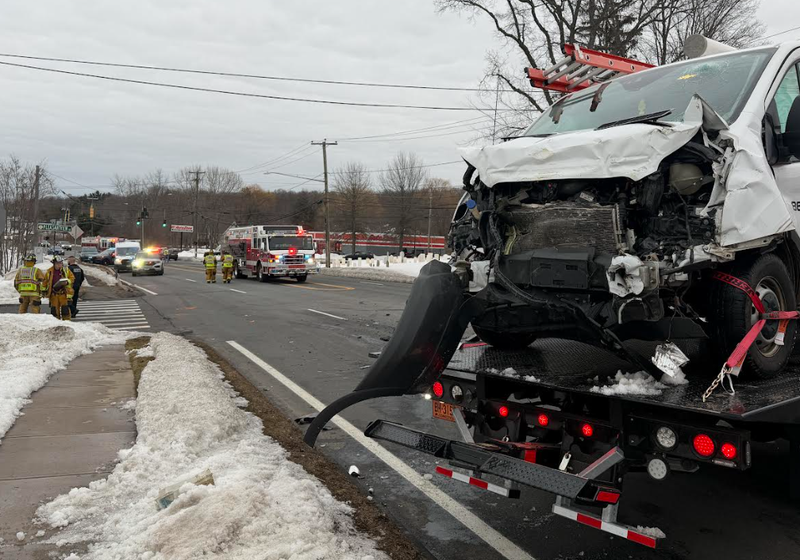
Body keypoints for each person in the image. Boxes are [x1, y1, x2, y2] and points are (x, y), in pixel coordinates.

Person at [42, 256, 75, 320]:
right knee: (54, 312)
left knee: (65, 311)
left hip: (64, 294)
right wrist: (43, 290)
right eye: (57, 263)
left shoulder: (65, 270)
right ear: (54, 263)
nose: (59, 265)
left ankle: (66, 324)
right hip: (54, 295)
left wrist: (67, 282)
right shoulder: (49, 271)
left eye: (60, 263)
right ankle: (56, 324)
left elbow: (72, 278)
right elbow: (45, 282)